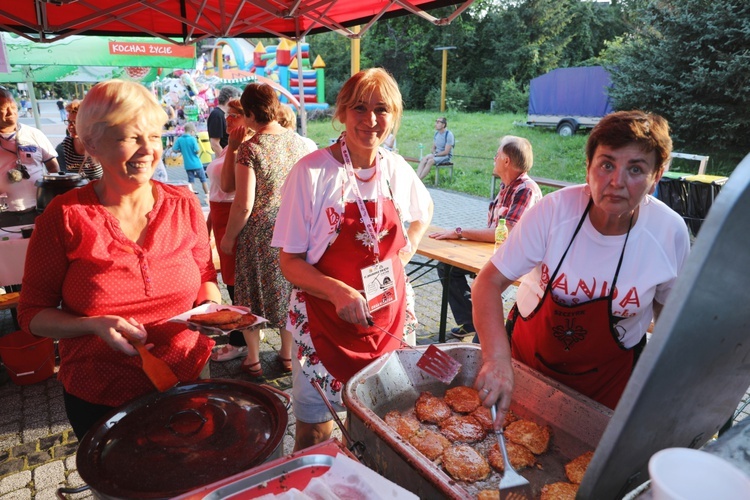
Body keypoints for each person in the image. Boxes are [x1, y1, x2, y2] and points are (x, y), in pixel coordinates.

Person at [16, 80, 221, 440]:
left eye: (154, 137)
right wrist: (93, 324)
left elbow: (205, 275)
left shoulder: (184, 205)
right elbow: (32, 314)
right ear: (91, 144)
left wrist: (212, 310)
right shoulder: (65, 217)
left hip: (188, 377)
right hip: (102, 394)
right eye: (130, 137)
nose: (148, 150)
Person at [472, 110, 691, 423]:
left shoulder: (669, 232)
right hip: (526, 366)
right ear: (588, 167)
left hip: (607, 384)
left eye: (636, 169)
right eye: (606, 164)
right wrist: (496, 359)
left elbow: (670, 318)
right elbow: (487, 284)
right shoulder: (552, 212)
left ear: (656, 176)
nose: (617, 181)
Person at [271, 68, 434, 451]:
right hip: (326, 322)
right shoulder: (311, 172)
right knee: (314, 432)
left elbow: (423, 213)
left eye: (382, 109)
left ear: (394, 116)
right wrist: (336, 291)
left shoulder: (395, 168)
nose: (371, 119)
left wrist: (403, 254)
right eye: (360, 107)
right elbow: (289, 262)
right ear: (342, 112)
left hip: (388, 319)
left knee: (385, 420)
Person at [220, 83, 311, 379]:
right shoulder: (298, 142)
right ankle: (286, 357)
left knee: (249, 295)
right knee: (288, 290)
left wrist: (229, 237)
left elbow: (243, 203)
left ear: (248, 113)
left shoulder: (251, 148)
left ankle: (254, 361)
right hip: (293, 229)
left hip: (259, 232)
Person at [429, 136, 542, 339]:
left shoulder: (525, 189)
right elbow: (495, 231)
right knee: (447, 266)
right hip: (497, 254)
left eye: (496, 155)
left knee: (485, 290)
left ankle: (481, 342)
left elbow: (506, 232)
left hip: (518, 263)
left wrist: (460, 232)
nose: (494, 159)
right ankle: (469, 321)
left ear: (506, 160)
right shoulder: (507, 186)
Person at [205, 98, 253, 362]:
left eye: (234, 115)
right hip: (221, 214)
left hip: (233, 216)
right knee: (231, 278)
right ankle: (239, 333)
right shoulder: (229, 147)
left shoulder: (241, 147)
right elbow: (217, 192)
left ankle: (240, 340)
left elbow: (228, 189)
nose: (227, 119)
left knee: (235, 280)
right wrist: (210, 224)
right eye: (228, 114)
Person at [0, 87, 60, 228]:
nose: (11, 112)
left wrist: (52, 197)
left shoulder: (35, 134)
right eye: (3, 108)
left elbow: (53, 167)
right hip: (4, 214)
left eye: (13, 106)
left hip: (38, 209)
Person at [58, 100, 103, 180]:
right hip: (77, 191)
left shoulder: (101, 144)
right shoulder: (64, 147)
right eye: (69, 122)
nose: (70, 127)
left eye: (75, 122)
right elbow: (62, 177)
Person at [172, 122, 209, 196]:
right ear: (192, 131)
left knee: (191, 181)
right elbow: (197, 150)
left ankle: (192, 196)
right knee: (203, 180)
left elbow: (174, 149)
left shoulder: (180, 139)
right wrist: (195, 152)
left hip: (187, 165)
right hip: (197, 163)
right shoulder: (192, 139)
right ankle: (207, 195)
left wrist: (182, 150)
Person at [207, 86, 242, 157]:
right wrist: (224, 160)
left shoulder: (223, 114)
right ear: (231, 99)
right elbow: (214, 143)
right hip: (225, 159)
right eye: (236, 100)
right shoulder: (217, 115)